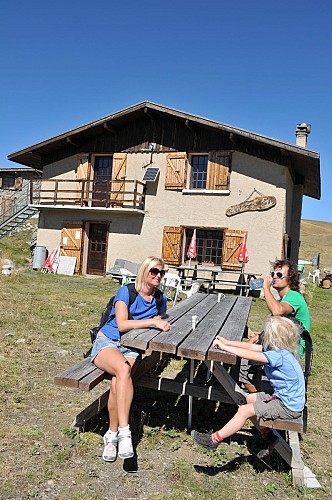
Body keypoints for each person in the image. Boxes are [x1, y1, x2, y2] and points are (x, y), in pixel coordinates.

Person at [91, 257, 171, 462]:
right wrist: (151, 322)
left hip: (131, 347)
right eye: (154, 271)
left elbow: (161, 319)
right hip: (108, 341)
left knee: (120, 379)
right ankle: (125, 433)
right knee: (124, 371)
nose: (158, 276)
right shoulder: (126, 292)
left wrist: (157, 323)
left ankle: (111, 436)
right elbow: (122, 324)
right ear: (144, 271)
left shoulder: (160, 299)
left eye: (162, 272)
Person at [192, 316, 305, 459]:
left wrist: (225, 348)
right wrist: (227, 342)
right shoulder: (280, 350)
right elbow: (252, 347)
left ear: (273, 338)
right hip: (284, 398)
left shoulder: (279, 356)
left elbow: (250, 354)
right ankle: (268, 436)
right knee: (249, 398)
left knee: (243, 411)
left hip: (288, 406)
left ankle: (213, 440)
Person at [240, 258, 310, 393]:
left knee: (243, 365)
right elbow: (274, 325)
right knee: (245, 356)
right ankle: (259, 400)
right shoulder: (284, 298)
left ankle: (258, 404)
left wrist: (266, 287)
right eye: (273, 274)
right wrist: (256, 338)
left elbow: (277, 311)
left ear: (290, 279)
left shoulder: (293, 296)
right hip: (281, 347)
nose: (274, 278)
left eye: (279, 275)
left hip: (291, 353)